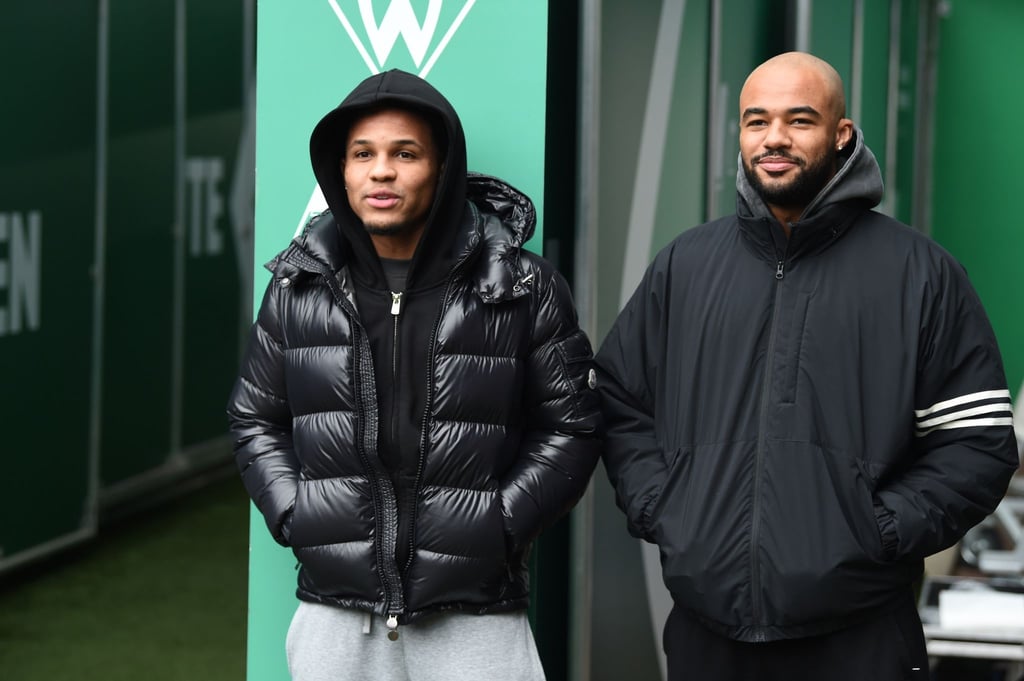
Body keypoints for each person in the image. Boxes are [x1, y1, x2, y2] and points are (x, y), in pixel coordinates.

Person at [595, 51, 1018, 681]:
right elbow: (618, 400)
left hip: (861, 636)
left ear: (841, 134)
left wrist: (878, 530)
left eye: (799, 120)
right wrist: (666, 507)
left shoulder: (919, 273)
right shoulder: (685, 265)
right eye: (756, 120)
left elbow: (977, 444)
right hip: (707, 635)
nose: (774, 139)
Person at [227, 69, 602, 681]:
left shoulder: (520, 285)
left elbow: (572, 423)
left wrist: (500, 523)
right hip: (335, 614)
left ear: (443, 170)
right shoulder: (298, 287)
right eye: (362, 154)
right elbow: (254, 417)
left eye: (406, 153)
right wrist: (297, 511)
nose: (381, 171)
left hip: (476, 616)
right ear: (339, 172)